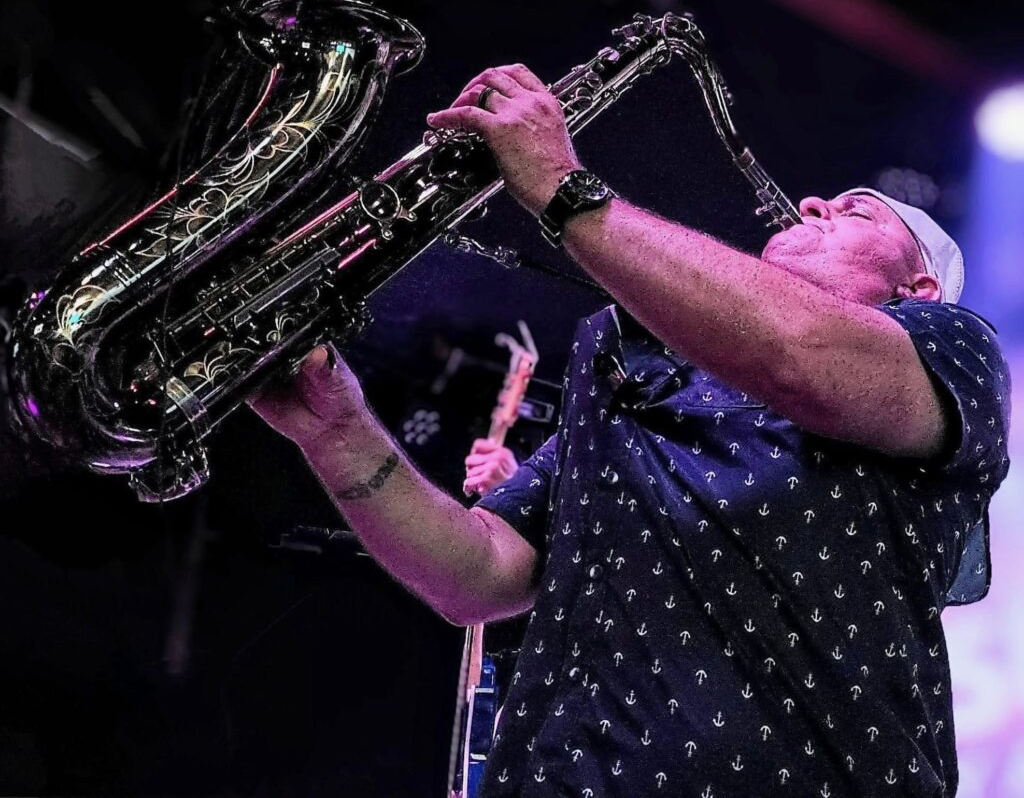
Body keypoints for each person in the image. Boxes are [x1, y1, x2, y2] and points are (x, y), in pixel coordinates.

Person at [249, 64, 1011, 797]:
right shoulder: (639, 381)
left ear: (917, 287)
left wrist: (565, 189)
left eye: (857, 213)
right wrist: (336, 427)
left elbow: (797, 353)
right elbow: (477, 572)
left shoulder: (954, 348)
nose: (813, 203)